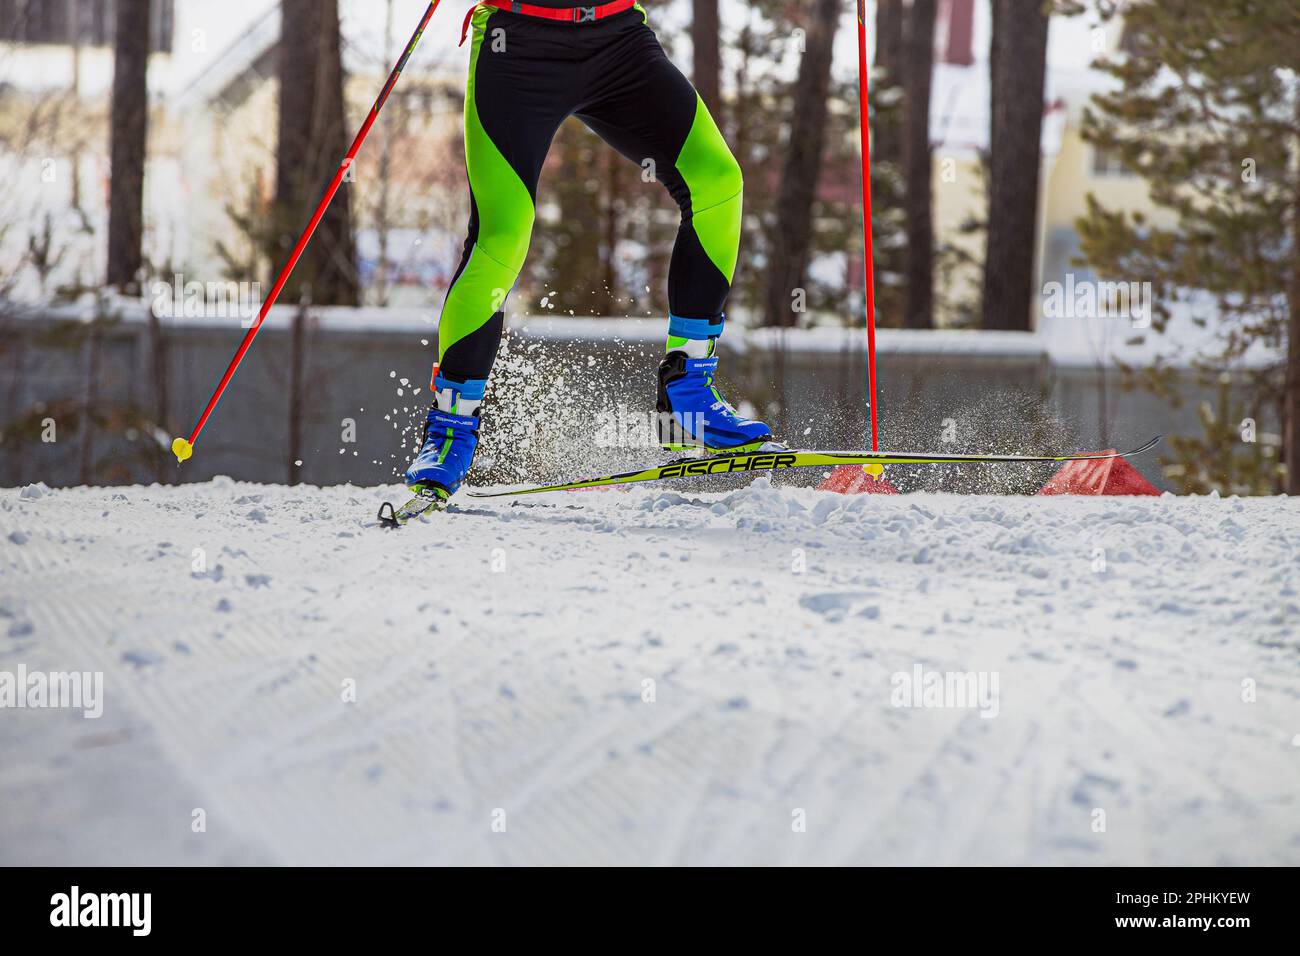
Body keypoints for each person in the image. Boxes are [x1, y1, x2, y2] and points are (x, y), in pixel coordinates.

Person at [405, 0, 772, 502]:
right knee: (502, 234)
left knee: (717, 180)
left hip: (618, 39)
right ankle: (450, 428)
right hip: (517, 45)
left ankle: (687, 391)